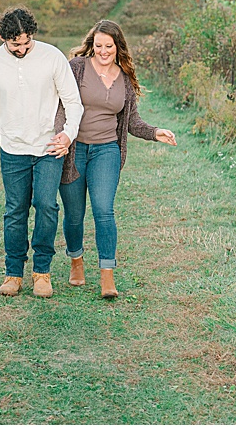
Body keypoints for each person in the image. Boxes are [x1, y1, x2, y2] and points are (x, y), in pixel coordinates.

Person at [55, 20, 177, 299]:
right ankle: (76, 261)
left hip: (106, 150)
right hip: (74, 150)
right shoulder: (77, 68)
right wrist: (60, 136)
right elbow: (60, 106)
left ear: (117, 46)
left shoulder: (124, 77)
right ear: (92, 45)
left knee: (104, 210)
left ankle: (107, 275)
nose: (103, 51)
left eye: (108, 46)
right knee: (74, 214)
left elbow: (132, 121)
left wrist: (155, 132)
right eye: (98, 46)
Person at [0, 8, 83, 299]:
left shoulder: (52, 57)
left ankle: (41, 272)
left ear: (33, 35)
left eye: (26, 43)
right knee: (15, 211)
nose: (21, 49)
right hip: (12, 149)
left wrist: (68, 135)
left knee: (46, 205)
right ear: (2, 38)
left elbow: (74, 102)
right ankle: (13, 273)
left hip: (49, 147)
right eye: (14, 44)